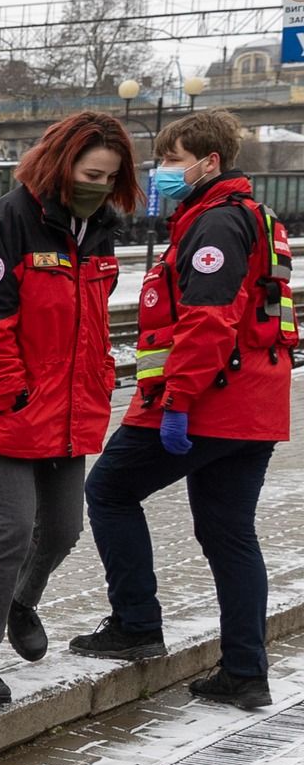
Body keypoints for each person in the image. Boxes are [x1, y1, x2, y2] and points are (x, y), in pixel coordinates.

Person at [72, 109, 292, 709]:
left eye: (171, 159)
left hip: (204, 403)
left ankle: (137, 625)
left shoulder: (216, 225)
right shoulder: (256, 217)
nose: (162, 171)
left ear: (208, 162)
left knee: (109, 493)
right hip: (254, 407)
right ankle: (245, 673)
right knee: (229, 534)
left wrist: (177, 403)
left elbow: (208, 321)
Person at [0, 112, 137, 707]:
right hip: (9, 408)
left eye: (109, 177)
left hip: (69, 410)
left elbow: (93, 321)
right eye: (90, 173)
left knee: (62, 529)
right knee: (12, 528)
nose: (99, 186)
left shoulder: (101, 229)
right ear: (61, 165)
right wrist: (12, 391)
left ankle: (20, 603)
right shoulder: (10, 221)